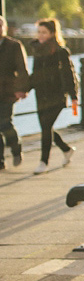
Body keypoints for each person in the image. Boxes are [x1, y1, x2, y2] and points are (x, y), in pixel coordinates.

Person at [29, 19, 77, 174]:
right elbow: (35, 75)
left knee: (46, 126)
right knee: (46, 127)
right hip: (41, 95)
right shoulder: (37, 50)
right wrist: (23, 90)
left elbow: (69, 74)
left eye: (44, 32)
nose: (40, 35)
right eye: (39, 32)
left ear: (52, 33)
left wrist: (73, 96)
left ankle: (44, 162)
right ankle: (66, 149)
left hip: (56, 95)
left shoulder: (60, 51)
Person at [0, 17, 30, 170]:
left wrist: (22, 88)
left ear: (4, 28)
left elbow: (22, 69)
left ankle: (16, 148)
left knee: (5, 123)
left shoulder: (14, 45)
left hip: (7, 91)